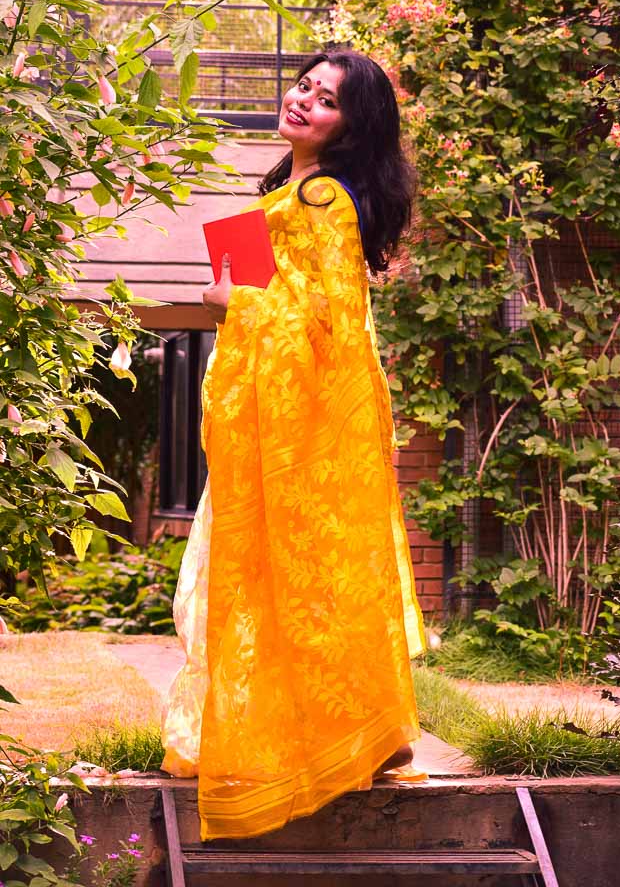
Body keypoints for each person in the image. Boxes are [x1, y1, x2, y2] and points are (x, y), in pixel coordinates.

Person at [161, 49, 426, 842]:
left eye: (329, 99)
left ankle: (346, 740)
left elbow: (325, 324)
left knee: (305, 576)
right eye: (304, 85)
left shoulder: (321, 198)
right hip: (300, 418)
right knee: (316, 574)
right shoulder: (288, 190)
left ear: (354, 125)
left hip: (308, 426)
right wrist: (245, 297)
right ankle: (355, 736)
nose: (305, 101)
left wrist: (229, 297)